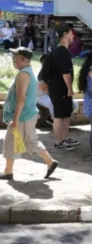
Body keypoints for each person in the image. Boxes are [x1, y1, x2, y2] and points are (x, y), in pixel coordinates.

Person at [1, 47, 58, 180]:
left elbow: (21, 98)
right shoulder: (27, 72)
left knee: (11, 141)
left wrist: (15, 120)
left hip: (22, 116)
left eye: (15, 58)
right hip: (27, 114)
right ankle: (50, 162)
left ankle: (8, 171)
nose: (13, 60)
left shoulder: (23, 74)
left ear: (22, 59)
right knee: (30, 141)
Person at [40, 24, 79, 150]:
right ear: (66, 34)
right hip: (59, 89)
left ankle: (66, 138)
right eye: (71, 33)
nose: (73, 36)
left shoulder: (61, 51)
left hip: (60, 89)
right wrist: (69, 88)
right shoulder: (62, 52)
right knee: (59, 116)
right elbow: (65, 72)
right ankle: (59, 142)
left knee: (66, 115)